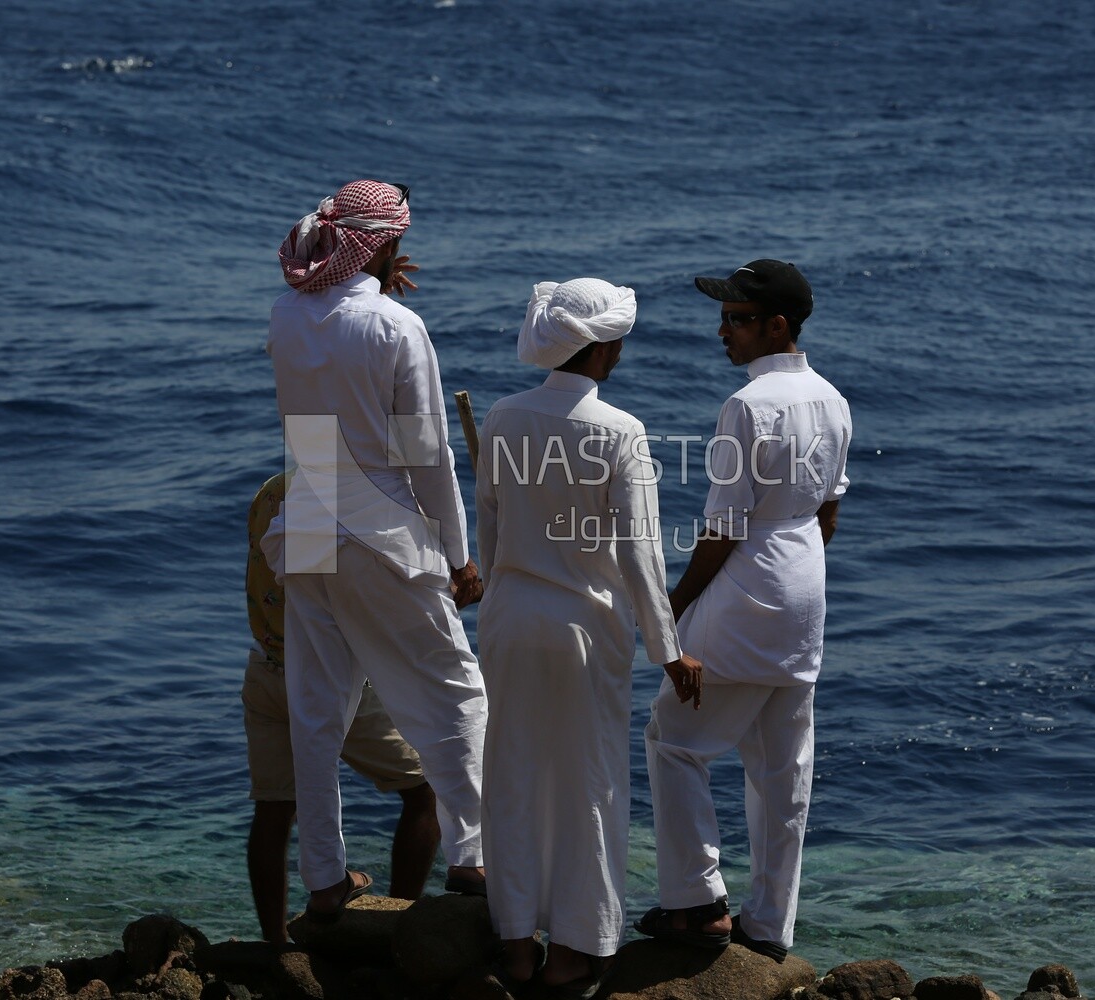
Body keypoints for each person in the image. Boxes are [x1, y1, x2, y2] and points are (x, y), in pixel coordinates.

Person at [258, 179, 489, 922]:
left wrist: (376, 280)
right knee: (459, 694)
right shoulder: (397, 325)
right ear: (387, 244)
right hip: (383, 532)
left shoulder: (287, 315)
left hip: (309, 524)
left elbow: (322, 426)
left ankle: (324, 879)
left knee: (317, 713)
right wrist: (458, 553)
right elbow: (426, 456)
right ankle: (475, 860)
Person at [475, 278, 704, 997]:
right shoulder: (619, 431)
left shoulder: (503, 419)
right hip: (583, 631)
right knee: (590, 785)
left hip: (510, 619)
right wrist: (668, 649)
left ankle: (515, 945)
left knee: (510, 779)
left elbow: (490, 527)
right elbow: (640, 553)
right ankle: (576, 949)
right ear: (603, 347)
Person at [637, 259, 851, 963]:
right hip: (805, 594)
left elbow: (724, 529)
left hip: (748, 590)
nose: (721, 330)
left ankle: (697, 902)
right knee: (782, 769)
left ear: (776, 326)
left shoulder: (746, 406)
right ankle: (770, 927)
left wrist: (670, 609)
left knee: (672, 740)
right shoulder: (834, 398)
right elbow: (828, 514)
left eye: (735, 318)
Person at [243, 473, 440, 946]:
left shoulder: (271, 491)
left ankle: (276, 944)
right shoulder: (333, 499)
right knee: (425, 790)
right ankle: (398, 922)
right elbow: (325, 603)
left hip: (266, 670)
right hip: (321, 676)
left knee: (275, 810)